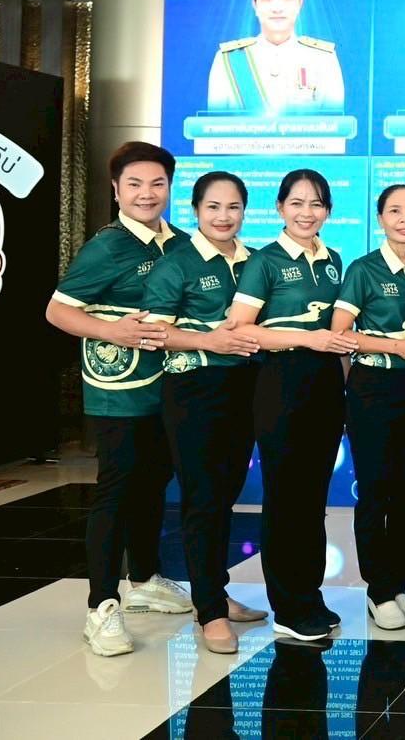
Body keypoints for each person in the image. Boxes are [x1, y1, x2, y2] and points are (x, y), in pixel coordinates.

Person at [46, 142, 194, 657]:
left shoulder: (180, 242)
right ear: (115, 190)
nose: (146, 194)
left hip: (166, 383)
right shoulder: (107, 247)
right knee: (117, 486)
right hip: (119, 390)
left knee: (153, 482)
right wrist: (116, 331)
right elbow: (58, 312)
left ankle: (145, 579)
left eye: (157, 184)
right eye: (134, 184)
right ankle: (101, 606)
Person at [226, 169, 353, 642]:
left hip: (324, 385)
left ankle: (309, 594)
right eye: (297, 203)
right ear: (280, 208)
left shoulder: (334, 260)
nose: (307, 212)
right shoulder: (265, 261)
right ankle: (287, 605)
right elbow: (239, 328)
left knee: (313, 498)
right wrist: (305, 337)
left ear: (328, 211)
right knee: (285, 496)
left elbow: (339, 336)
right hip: (281, 382)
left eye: (316, 203)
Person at [143, 171, 266, 654]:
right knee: (203, 499)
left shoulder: (255, 261)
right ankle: (209, 611)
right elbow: (155, 333)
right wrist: (209, 340)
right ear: (195, 210)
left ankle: (217, 592)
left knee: (225, 496)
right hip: (195, 390)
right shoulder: (177, 263)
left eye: (233, 207)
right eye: (213, 207)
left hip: (245, 388)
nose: (223, 216)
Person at [330, 184, 405, 631]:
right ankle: (377, 590)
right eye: (395, 211)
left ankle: (397, 583)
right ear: (380, 219)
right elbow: (340, 333)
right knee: (376, 490)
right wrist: (398, 346)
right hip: (374, 387)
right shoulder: (365, 269)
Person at [207, 0, 344, 113]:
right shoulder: (228, 59)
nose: (277, 7)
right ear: (255, 5)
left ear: (300, 3)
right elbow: (214, 125)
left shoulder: (324, 59)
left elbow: (335, 126)